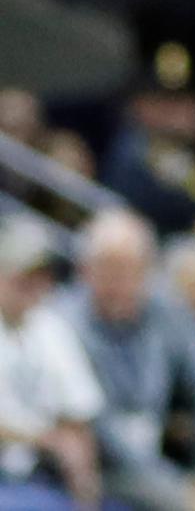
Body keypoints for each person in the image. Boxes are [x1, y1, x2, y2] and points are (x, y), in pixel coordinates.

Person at [58, 210, 195, 511]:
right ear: (84, 270)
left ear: (148, 271)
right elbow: (91, 418)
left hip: (159, 457)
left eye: (130, 270)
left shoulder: (170, 311)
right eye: (107, 270)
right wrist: (177, 487)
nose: (119, 283)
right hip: (99, 467)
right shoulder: (62, 320)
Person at [0, 216, 102, 511]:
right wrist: (44, 438)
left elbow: (79, 414)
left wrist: (85, 481)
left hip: (40, 475)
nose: (32, 286)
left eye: (41, 277)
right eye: (22, 276)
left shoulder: (53, 329)